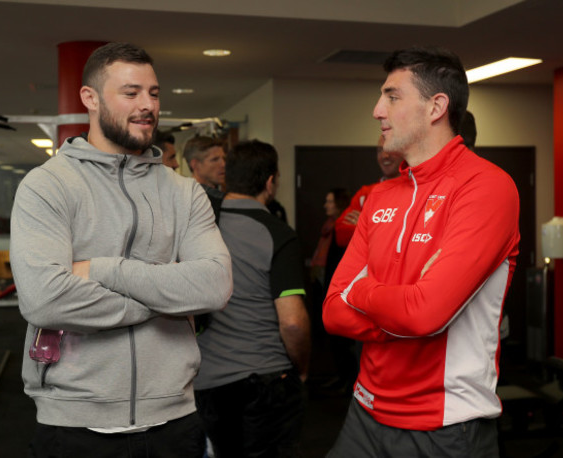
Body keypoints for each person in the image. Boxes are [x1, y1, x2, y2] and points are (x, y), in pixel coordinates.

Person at [10, 42, 232, 458]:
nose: (147, 105)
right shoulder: (48, 185)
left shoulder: (185, 193)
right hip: (74, 421)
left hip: (175, 417)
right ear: (89, 99)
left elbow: (215, 287)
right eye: (131, 93)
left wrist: (100, 269)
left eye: (154, 93)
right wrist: (168, 299)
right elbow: (46, 299)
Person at [323, 46, 520, 457]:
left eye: (392, 97)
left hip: (444, 424)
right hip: (365, 409)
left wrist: (363, 294)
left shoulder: (486, 187)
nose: (378, 110)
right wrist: (406, 311)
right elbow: (332, 313)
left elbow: (425, 313)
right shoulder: (380, 195)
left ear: (436, 107)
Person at [194, 140, 311, 458]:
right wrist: (302, 369)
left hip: (208, 383)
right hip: (266, 382)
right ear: (271, 182)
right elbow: (293, 322)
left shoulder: (201, 228)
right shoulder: (277, 233)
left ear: (227, 176)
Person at [334, 135, 401, 248]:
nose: (384, 155)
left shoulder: (415, 190)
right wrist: (383, 229)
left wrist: (364, 224)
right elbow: (341, 234)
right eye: (380, 150)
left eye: (389, 149)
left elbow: (405, 237)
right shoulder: (365, 193)